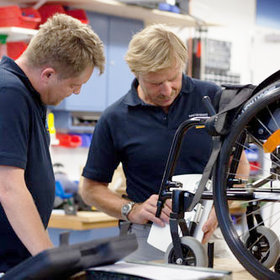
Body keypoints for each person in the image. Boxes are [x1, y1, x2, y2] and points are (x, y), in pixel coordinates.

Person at [81, 24, 249, 261]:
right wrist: (132, 210)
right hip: (145, 236)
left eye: (173, 78)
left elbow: (239, 167)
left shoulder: (212, 98)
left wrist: (220, 210)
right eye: (155, 82)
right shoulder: (115, 118)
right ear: (136, 73)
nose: (167, 89)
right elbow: (90, 189)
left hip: (209, 232)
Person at [0, 14, 105, 272]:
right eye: (74, 84)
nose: (77, 92)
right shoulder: (10, 93)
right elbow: (9, 188)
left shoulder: (30, 96)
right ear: (48, 74)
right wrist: (49, 260)